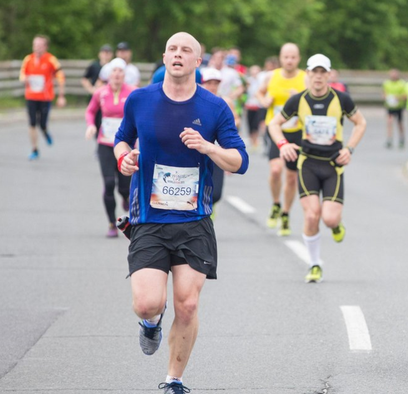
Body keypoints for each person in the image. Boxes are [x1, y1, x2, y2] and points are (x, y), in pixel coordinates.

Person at [114, 32, 248, 393]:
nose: (178, 54)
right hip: (149, 220)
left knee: (187, 305)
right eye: (172, 49)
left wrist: (207, 147)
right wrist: (123, 157)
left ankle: (174, 380)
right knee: (146, 303)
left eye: (186, 50)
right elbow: (122, 138)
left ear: (197, 61)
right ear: (164, 57)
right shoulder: (140, 100)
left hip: (193, 222)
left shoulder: (214, 107)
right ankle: (151, 324)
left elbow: (240, 161)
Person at [268, 54, 367, 283]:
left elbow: (360, 122)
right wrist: (283, 145)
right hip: (308, 164)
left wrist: (349, 149)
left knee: (329, 219)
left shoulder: (342, 99)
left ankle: (335, 225)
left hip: (333, 165)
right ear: (309, 74)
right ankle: (314, 264)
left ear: (329, 75)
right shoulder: (298, 100)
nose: (319, 77)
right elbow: (274, 124)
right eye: (315, 72)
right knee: (312, 215)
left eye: (324, 72)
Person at [256, 43, 307, 236]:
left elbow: (313, 100)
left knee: (292, 177)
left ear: (298, 58)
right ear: (281, 58)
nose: (289, 60)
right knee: (276, 170)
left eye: (293, 57)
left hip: (297, 130)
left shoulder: (305, 78)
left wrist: (300, 98)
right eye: (286, 57)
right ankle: (276, 203)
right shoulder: (272, 76)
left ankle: (285, 214)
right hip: (275, 129)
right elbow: (259, 92)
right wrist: (264, 101)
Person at [84, 58, 135, 237]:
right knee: (108, 183)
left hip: (125, 146)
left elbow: (140, 116)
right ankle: (112, 224)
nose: (117, 75)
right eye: (114, 71)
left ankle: (125, 197)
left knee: (124, 187)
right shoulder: (100, 93)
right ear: (108, 74)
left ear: (124, 74)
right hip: (105, 144)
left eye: (120, 71)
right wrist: (91, 125)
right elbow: (90, 111)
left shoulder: (133, 93)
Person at [200, 67, 241, 214]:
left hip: (217, 151)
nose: (212, 86)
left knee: (216, 193)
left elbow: (236, 120)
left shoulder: (225, 102)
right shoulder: (196, 101)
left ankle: (210, 206)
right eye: (208, 83)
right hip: (198, 151)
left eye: (215, 83)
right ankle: (203, 212)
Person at [19, 34, 66, 160]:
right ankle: (34, 149)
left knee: (42, 124)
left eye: (40, 45)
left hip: (45, 97)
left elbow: (61, 76)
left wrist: (61, 96)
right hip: (31, 96)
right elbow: (22, 76)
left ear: (45, 47)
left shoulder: (51, 60)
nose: (37, 48)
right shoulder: (28, 59)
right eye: (35, 45)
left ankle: (45, 132)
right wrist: (26, 79)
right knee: (32, 123)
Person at [382, 68, 407, 149]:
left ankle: (401, 138)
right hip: (390, 106)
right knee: (389, 122)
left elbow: (405, 96)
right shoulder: (386, 83)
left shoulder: (401, 84)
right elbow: (384, 94)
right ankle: (389, 139)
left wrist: (397, 98)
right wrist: (388, 98)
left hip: (399, 106)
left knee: (399, 123)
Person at [243, 65, 264, 151]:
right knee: (250, 124)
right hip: (249, 105)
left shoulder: (261, 81)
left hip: (258, 106)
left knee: (256, 125)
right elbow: (246, 93)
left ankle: (255, 141)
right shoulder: (249, 81)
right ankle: (252, 142)